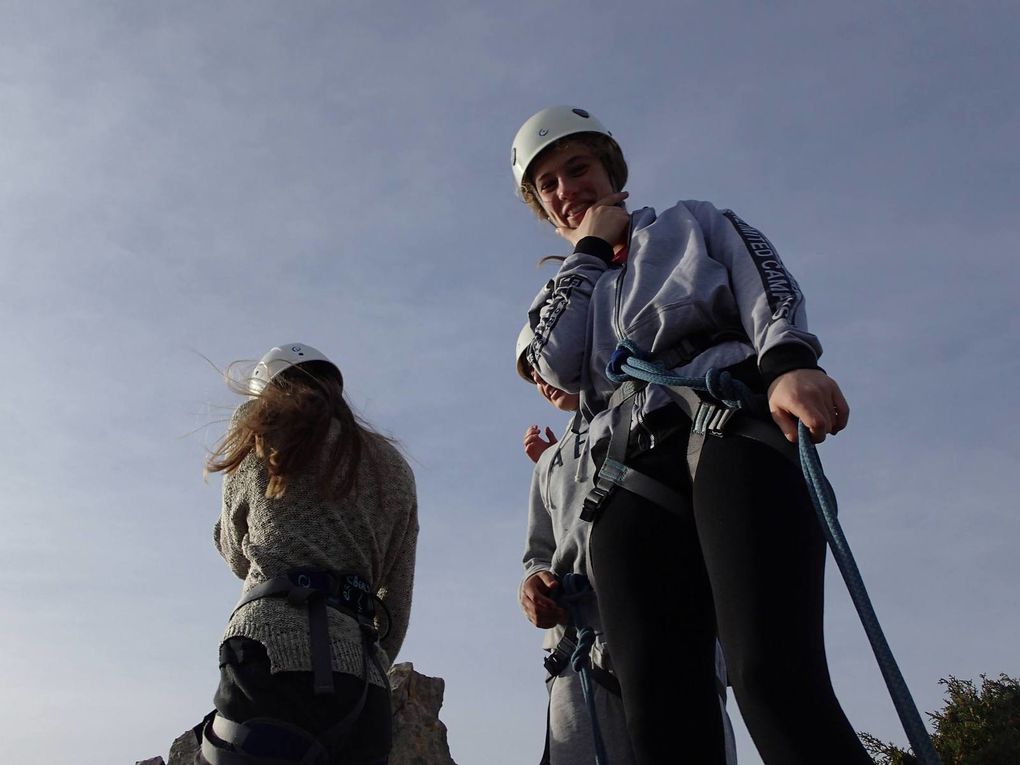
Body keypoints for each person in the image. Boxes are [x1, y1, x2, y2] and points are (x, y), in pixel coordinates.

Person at [510, 106, 869, 764]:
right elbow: (555, 362)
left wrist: (789, 363)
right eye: (548, 185)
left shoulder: (692, 222)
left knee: (769, 676)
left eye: (577, 167)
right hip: (628, 473)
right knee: (661, 714)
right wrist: (590, 251)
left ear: (610, 168)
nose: (566, 189)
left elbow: (766, 281)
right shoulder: (560, 291)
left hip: (727, 418)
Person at [516, 327, 735, 765]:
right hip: (578, 651)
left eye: (543, 363)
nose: (543, 380)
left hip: (674, 629)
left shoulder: (660, 409)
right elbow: (538, 551)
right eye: (533, 374)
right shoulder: (548, 465)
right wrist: (532, 585)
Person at [198, 343, 418, 765]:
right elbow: (398, 595)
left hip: (269, 652)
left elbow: (237, 555)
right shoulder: (393, 467)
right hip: (362, 683)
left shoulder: (264, 434)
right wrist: (369, 661)